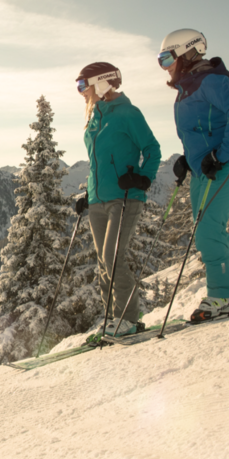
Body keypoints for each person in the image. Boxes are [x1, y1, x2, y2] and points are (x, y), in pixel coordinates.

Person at [157, 29, 229, 321]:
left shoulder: (209, 81)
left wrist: (220, 154)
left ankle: (224, 295)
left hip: (223, 167)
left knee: (209, 229)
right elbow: (202, 129)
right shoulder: (187, 88)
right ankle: (226, 292)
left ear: (187, 53)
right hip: (203, 171)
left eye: (167, 58)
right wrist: (189, 158)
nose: (164, 66)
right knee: (204, 232)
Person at [73, 62, 161, 336]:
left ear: (101, 83)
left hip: (125, 197)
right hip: (98, 201)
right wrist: (89, 193)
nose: (81, 92)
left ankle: (128, 319)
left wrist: (142, 178)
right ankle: (113, 319)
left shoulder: (128, 114)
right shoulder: (95, 117)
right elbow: (98, 162)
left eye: (83, 85)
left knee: (112, 258)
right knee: (103, 262)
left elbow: (152, 148)